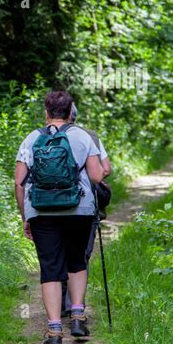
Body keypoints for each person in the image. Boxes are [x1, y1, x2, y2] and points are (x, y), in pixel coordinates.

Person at [14, 90, 104, 344]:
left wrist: (25, 216)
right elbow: (97, 176)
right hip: (79, 210)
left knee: (50, 267)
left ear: (46, 113)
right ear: (69, 112)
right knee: (77, 261)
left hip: (41, 211)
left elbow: (19, 182)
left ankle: (54, 330)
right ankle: (77, 316)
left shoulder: (31, 139)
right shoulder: (83, 136)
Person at [61, 103, 111, 316]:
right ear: (74, 116)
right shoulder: (89, 136)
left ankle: (59, 303)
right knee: (80, 255)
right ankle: (75, 306)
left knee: (57, 252)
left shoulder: (41, 136)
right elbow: (105, 170)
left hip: (48, 204)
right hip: (83, 206)